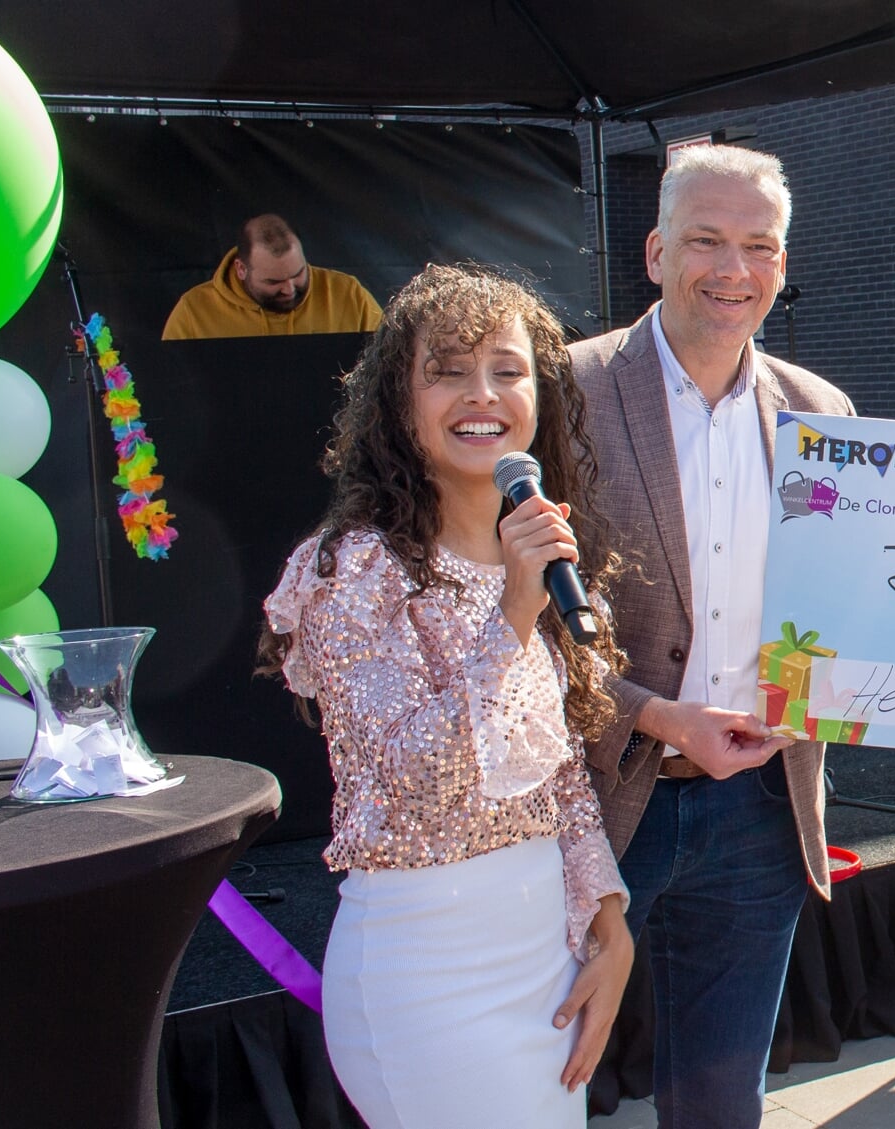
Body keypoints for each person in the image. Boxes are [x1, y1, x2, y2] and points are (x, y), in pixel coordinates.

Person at [259, 263, 633, 1128]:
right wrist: (510, 617)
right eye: (449, 369)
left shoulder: (532, 556)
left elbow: (555, 779)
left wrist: (608, 919)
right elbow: (410, 782)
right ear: (398, 398)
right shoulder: (357, 569)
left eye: (507, 368)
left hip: (544, 965)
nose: (483, 393)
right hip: (427, 981)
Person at [570, 145, 855, 1127]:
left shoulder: (824, 415)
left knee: (721, 1103)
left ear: (782, 263)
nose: (733, 269)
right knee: (540, 1075)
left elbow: (839, 613)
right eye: (706, 240)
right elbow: (514, 632)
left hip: (760, 814)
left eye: (759, 246)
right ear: (654, 252)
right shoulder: (562, 396)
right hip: (598, 804)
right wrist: (657, 718)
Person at [163, 213, 382, 339]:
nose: (289, 289)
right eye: (273, 281)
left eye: (298, 274)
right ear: (241, 269)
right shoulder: (193, 312)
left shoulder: (349, 295)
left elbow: (392, 363)